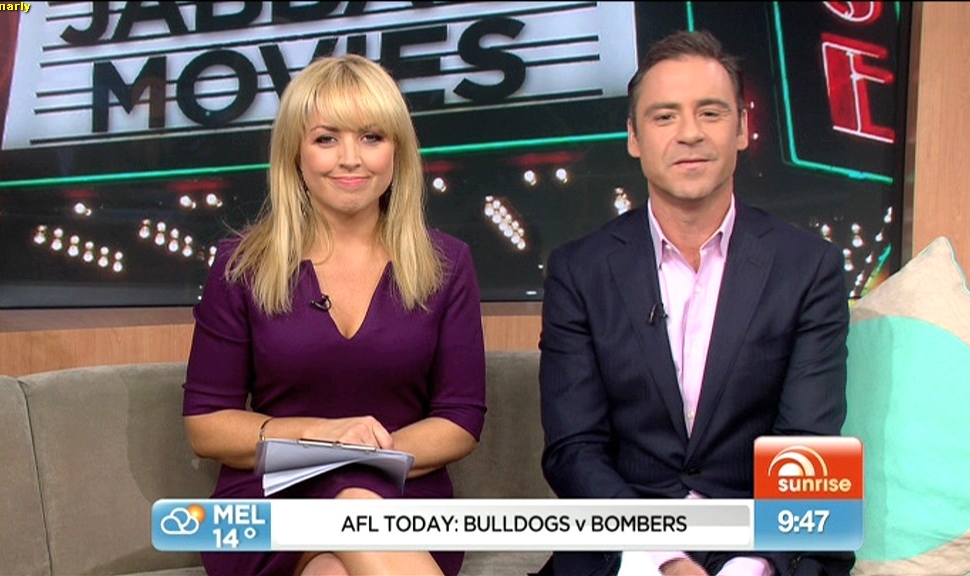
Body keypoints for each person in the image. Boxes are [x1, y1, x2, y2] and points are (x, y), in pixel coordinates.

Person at [537, 30, 854, 576]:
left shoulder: (809, 267)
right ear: (634, 137)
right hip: (626, 545)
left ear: (743, 128)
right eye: (665, 116)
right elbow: (573, 448)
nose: (690, 133)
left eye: (710, 112)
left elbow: (809, 446)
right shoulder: (579, 271)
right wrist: (665, 556)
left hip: (764, 547)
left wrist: (750, 567)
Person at [182, 54, 486, 576]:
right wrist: (325, 438)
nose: (350, 159)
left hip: (401, 493)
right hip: (271, 498)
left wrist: (366, 464)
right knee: (354, 510)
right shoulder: (241, 266)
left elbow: (460, 419)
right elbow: (208, 426)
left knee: (339, 556)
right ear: (295, 154)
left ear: (397, 151)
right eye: (326, 139)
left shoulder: (446, 264)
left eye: (371, 137)